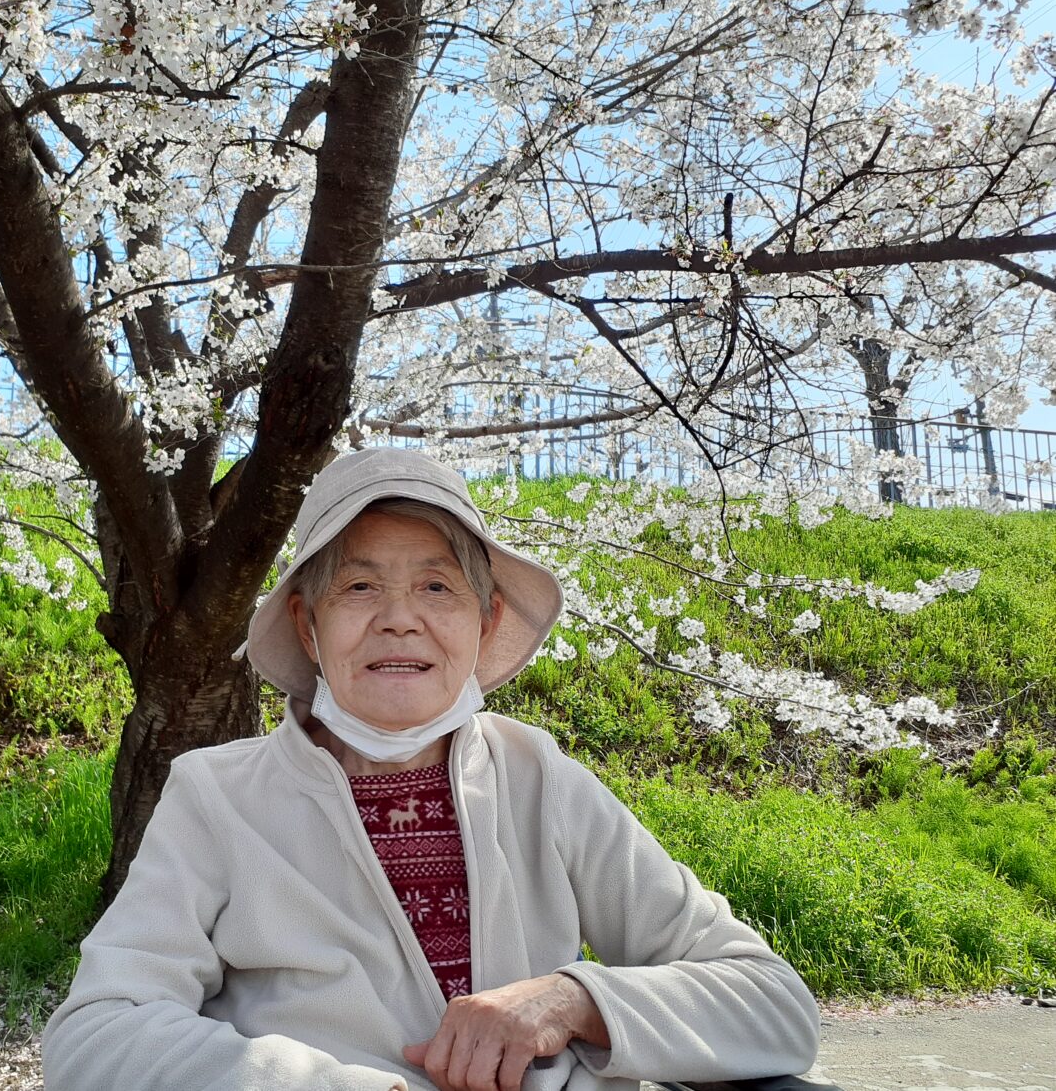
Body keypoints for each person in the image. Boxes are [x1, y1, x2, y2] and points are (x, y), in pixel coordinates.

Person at [42, 448, 820, 1091]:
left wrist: (573, 997)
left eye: (437, 586)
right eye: (359, 586)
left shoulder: (538, 777)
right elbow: (96, 1033)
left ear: (484, 621)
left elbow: (774, 1002)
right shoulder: (217, 797)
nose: (399, 618)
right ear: (308, 626)